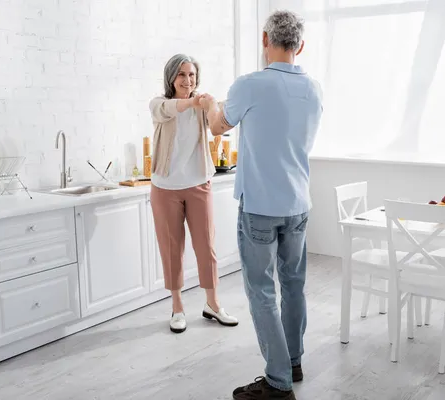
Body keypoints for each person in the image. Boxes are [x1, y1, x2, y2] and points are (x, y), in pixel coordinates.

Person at [199, 10, 323, 400]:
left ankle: (277, 381)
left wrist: (208, 105)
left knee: (261, 290)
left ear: (265, 41)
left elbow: (219, 125)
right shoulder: (315, 88)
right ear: (300, 45)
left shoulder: (250, 84)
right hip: (299, 202)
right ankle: (294, 361)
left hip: (260, 208)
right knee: (294, 284)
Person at [149, 54, 238, 334]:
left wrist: (213, 106)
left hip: (199, 183)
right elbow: (171, 109)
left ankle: (212, 304)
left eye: (192, 75)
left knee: (206, 246)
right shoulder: (160, 104)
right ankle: (177, 308)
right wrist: (197, 101)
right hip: (165, 187)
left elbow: (218, 125)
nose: (188, 80)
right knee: (172, 249)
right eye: (182, 75)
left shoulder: (202, 105)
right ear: (171, 78)